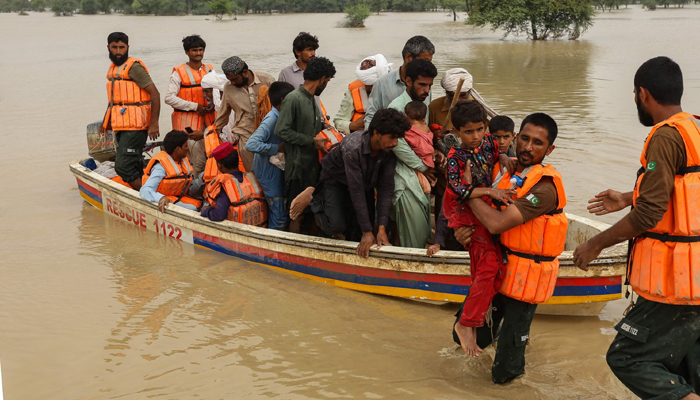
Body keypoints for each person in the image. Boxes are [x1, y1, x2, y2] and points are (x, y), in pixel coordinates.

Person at [573, 57, 700, 400]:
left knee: (627, 357)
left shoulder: (665, 137)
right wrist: (629, 196)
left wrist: (596, 243)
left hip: (677, 282)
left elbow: (650, 213)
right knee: (686, 367)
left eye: (633, 94)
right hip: (697, 278)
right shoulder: (695, 129)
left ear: (643, 94)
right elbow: (685, 186)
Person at [452, 113, 567, 383]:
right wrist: (462, 231)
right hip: (496, 270)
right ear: (515, 138)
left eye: (538, 143)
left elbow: (495, 223)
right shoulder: (502, 168)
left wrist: (468, 194)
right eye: (524, 139)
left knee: (506, 370)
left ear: (549, 150)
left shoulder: (545, 188)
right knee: (464, 332)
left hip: (525, 280)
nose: (528, 147)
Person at [442, 100, 515, 357]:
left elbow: (497, 151)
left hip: (484, 209)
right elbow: (458, 190)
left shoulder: (489, 144)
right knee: (488, 267)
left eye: (480, 130)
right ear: (457, 132)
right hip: (467, 212)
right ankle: (466, 324)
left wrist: (504, 155)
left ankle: (476, 322)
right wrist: (489, 191)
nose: (475, 137)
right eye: (468, 132)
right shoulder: (455, 158)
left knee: (494, 270)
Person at [302, 108, 410, 257]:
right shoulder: (353, 147)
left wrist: (381, 229)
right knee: (337, 225)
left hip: (365, 181)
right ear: (376, 132)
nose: (395, 143)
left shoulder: (388, 150)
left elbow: (386, 187)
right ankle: (313, 198)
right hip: (336, 179)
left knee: (360, 231)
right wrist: (367, 232)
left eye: (398, 138)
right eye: (392, 137)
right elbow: (356, 189)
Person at [429, 68, 497, 229]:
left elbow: (487, 143)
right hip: (445, 169)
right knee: (446, 209)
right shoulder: (434, 107)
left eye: (462, 95)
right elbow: (424, 135)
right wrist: (435, 137)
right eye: (454, 96)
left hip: (478, 176)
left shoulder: (478, 111)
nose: (459, 99)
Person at [274, 56, 335, 233]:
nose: (326, 85)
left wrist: (325, 127)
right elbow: (281, 131)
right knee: (297, 213)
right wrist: (311, 141)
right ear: (322, 79)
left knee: (312, 212)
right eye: (328, 81)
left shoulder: (312, 99)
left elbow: (310, 126)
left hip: (312, 167)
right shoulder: (293, 99)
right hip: (297, 170)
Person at [387, 58, 438, 248]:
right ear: (408, 81)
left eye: (429, 86)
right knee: (411, 228)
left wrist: (435, 154)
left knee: (420, 226)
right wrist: (423, 166)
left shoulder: (421, 106)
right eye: (422, 85)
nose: (427, 90)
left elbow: (426, 138)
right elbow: (398, 144)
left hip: (421, 174)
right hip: (403, 173)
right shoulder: (397, 107)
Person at [101, 32, 161, 190]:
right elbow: (115, 100)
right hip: (122, 125)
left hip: (136, 126)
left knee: (123, 167)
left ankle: (148, 195)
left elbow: (155, 94)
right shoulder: (114, 68)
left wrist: (154, 123)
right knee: (134, 164)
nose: (118, 51)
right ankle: (144, 192)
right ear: (108, 48)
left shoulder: (134, 67)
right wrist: (104, 122)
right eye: (115, 47)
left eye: (122, 47)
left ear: (128, 47)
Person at [245, 81, 296, 230]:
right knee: (279, 214)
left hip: (274, 169)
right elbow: (251, 144)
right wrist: (276, 147)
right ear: (282, 100)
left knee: (277, 210)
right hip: (268, 172)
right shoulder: (272, 119)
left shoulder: (280, 115)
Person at [164, 34, 215, 177]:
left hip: (207, 120)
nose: (198, 53)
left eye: (200, 50)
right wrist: (194, 106)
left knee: (209, 156)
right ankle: (192, 188)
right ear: (187, 52)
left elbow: (217, 91)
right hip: (187, 122)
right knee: (192, 159)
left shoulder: (210, 69)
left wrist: (212, 104)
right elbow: (169, 98)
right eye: (194, 50)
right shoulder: (178, 72)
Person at [215, 56, 275, 172]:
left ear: (245, 72)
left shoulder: (266, 79)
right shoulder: (229, 87)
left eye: (234, 79)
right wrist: (214, 131)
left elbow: (281, 104)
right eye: (229, 79)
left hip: (270, 134)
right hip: (246, 136)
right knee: (253, 173)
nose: (231, 82)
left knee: (274, 171)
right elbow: (223, 113)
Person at [364, 35, 435, 128]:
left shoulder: (426, 86)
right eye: (424, 61)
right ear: (408, 57)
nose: (426, 66)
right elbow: (371, 117)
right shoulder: (382, 83)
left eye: (429, 62)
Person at [201, 142, 267, 226]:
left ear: (220, 166)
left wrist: (206, 211)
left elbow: (218, 215)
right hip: (259, 228)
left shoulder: (224, 185)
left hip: (238, 233)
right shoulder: (252, 178)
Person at [140, 130, 202, 212]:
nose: (188, 148)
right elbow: (145, 190)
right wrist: (161, 198)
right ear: (178, 149)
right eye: (186, 146)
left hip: (180, 196)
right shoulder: (160, 167)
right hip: (169, 200)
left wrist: (203, 178)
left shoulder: (181, 162)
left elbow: (188, 187)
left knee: (205, 204)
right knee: (194, 209)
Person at [333, 54, 392, 135]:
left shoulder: (396, 87)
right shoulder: (354, 90)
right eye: (368, 85)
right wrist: (351, 126)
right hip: (360, 139)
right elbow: (338, 120)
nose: (371, 89)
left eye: (374, 85)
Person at [403, 101, 435, 193]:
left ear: (406, 116)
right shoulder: (426, 127)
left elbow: (411, 144)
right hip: (429, 158)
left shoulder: (409, 130)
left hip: (422, 159)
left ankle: (427, 188)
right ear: (424, 118)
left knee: (419, 175)